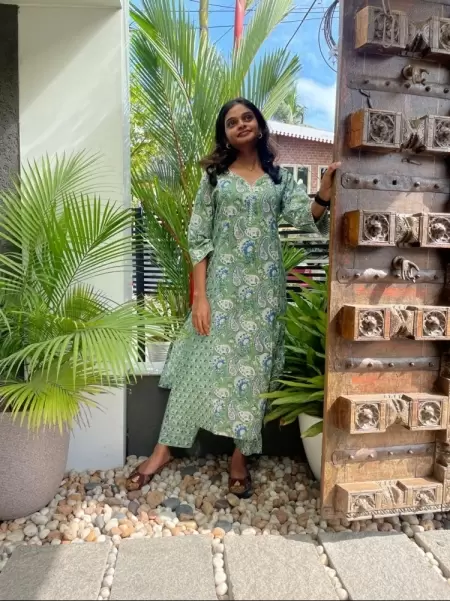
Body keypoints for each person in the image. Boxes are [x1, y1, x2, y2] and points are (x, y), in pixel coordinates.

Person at [127, 98, 339, 497]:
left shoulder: (279, 179)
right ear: (224, 135)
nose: (240, 124)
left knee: (254, 373)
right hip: (221, 289)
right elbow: (198, 238)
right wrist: (200, 297)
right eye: (231, 122)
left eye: (247, 118)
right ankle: (163, 450)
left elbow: (303, 217)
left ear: (259, 124)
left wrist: (324, 194)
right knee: (196, 364)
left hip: (265, 294)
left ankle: (240, 457)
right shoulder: (215, 178)